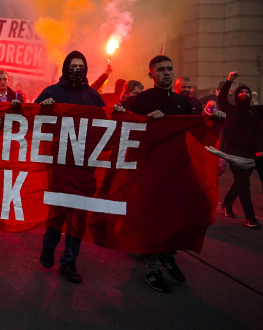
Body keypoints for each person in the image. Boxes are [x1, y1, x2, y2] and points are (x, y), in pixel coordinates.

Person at [128, 55, 226, 292]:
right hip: (150, 170)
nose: (166, 73)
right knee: (152, 219)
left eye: (169, 69)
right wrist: (146, 122)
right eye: (160, 70)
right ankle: (152, 269)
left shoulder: (184, 102)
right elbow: (127, 129)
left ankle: (168, 256)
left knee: (178, 214)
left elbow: (195, 130)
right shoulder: (142, 100)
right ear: (151, 75)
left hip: (178, 169)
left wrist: (215, 122)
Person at [35, 50, 105, 284]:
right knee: (57, 212)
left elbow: (107, 125)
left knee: (79, 216)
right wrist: (42, 108)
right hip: (60, 164)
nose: (77, 70)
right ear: (66, 68)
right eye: (73, 66)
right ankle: (48, 247)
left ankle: (69, 261)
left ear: (86, 69)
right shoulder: (52, 92)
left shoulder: (94, 97)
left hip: (86, 165)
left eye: (80, 66)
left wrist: (120, 114)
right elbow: (31, 116)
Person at [217, 71, 263, 229]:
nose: (244, 93)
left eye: (247, 92)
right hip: (235, 153)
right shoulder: (231, 110)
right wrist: (228, 81)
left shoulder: (255, 111)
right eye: (241, 92)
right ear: (237, 96)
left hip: (251, 153)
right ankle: (251, 218)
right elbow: (222, 99)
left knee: (240, 183)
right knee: (244, 185)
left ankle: (227, 204)